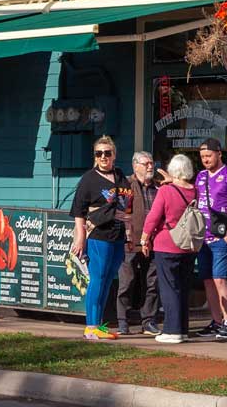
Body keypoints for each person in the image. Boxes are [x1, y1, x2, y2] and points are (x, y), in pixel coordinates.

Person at [68, 136, 132, 341]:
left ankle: (100, 324)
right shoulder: (89, 179)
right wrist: (80, 238)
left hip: (118, 233)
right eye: (99, 153)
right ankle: (90, 326)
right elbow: (78, 211)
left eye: (107, 153)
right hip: (98, 233)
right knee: (98, 278)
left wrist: (128, 222)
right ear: (95, 156)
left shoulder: (120, 175)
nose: (103, 157)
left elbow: (126, 201)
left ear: (114, 154)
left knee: (108, 279)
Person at [142, 153, 200, 344]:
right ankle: (183, 329)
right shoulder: (195, 191)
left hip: (167, 243)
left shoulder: (166, 191)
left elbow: (154, 216)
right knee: (183, 288)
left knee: (169, 288)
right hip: (189, 245)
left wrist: (144, 238)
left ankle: (172, 330)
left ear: (173, 171)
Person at [194, 137, 227, 340]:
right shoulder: (200, 177)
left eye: (209, 156)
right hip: (202, 237)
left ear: (219, 154)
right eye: (202, 157)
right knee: (207, 280)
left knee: (220, 278)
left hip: (220, 236)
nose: (206, 160)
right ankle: (216, 321)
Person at [118, 151, 162, 335]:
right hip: (131, 242)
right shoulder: (126, 185)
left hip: (154, 242)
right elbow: (121, 214)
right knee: (127, 282)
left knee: (152, 282)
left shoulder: (159, 187)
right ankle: (122, 320)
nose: (150, 167)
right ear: (136, 166)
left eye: (152, 163)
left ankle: (149, 321)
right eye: (146, 164)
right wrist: (128, 237)